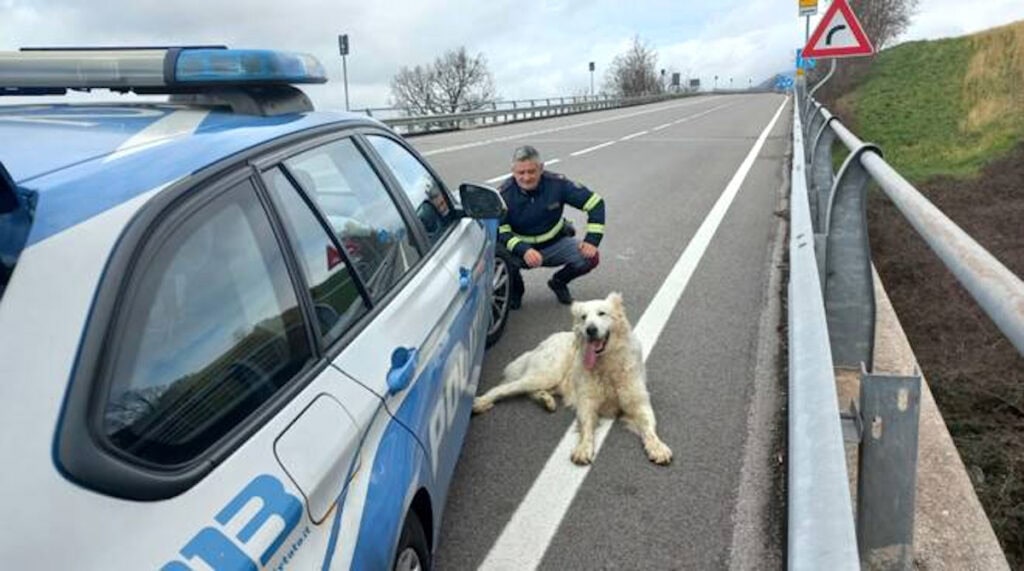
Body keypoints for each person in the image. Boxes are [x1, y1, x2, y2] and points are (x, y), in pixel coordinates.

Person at [498, 145, 605, 308]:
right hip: (520, 250)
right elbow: (501, 230)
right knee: (497, 255)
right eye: (521, 173)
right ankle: (515, 292)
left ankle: (559, 282)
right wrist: (523, 249)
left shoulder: (557, 184)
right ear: (513, 171)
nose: (526, 178)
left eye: (531, 171)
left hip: (554, 243)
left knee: (591, 257)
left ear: (541, 168)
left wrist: (592, 240)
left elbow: (595, 203)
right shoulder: (504, 194)